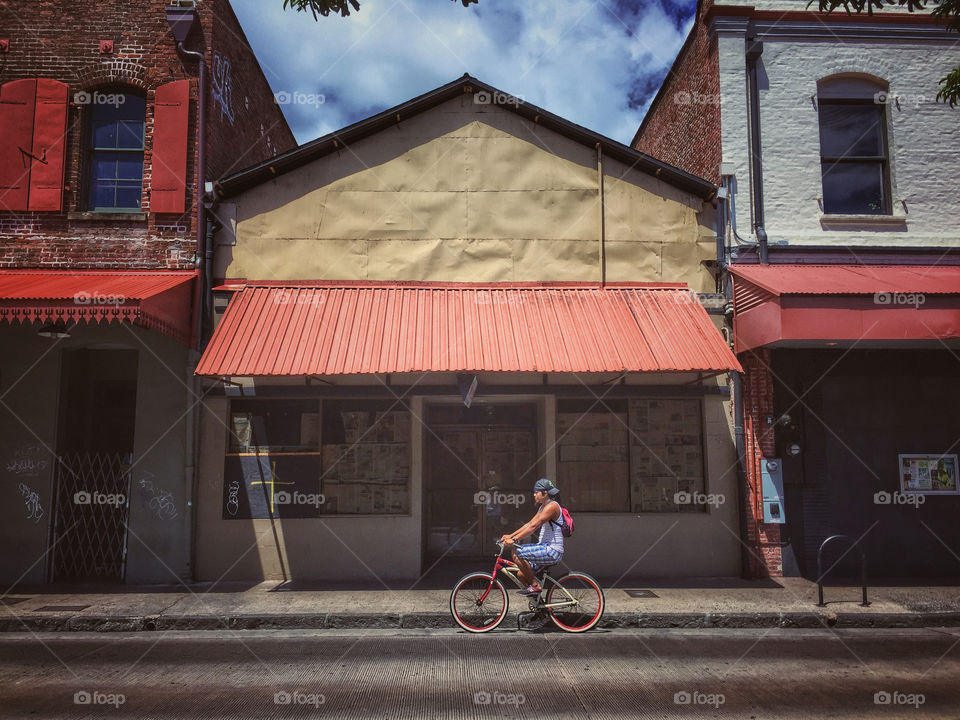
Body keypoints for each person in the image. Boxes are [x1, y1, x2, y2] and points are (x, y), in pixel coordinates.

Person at [500, 478, 564, 596]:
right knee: (521, 574)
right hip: (544, 548)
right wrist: (511, 535)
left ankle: (535, 585)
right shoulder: (543, 507)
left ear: (545, 493)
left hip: (551, 550)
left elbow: (534, 527)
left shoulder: (552, 506)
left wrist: (513, 540)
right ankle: (540, 607)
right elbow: (528, 524)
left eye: (536, 492)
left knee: (517, 552)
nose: (534, 495)